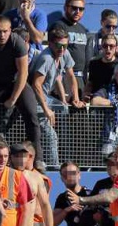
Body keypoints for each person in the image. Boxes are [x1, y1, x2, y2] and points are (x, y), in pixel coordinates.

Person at [0, 16, 43, 163]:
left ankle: (37, 160)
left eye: (5, 31)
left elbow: (23, 73)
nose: (2, 35)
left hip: (16, 83)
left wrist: (13, 99)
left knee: (31, 114)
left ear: (10, 31)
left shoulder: (17, 42)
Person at [30, 26, 82, 169]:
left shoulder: (64, 54)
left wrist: (75, 98)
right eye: (59, 45)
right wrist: (46, 110)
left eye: (65, 45)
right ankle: (55, 167)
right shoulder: (46, 59)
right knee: (51, 136)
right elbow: (36, 85)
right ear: (51, 43)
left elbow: (71, 76)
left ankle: (68, 159)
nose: (62, 49)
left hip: (47, 97)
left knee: (64, 110)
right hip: (36, 100)